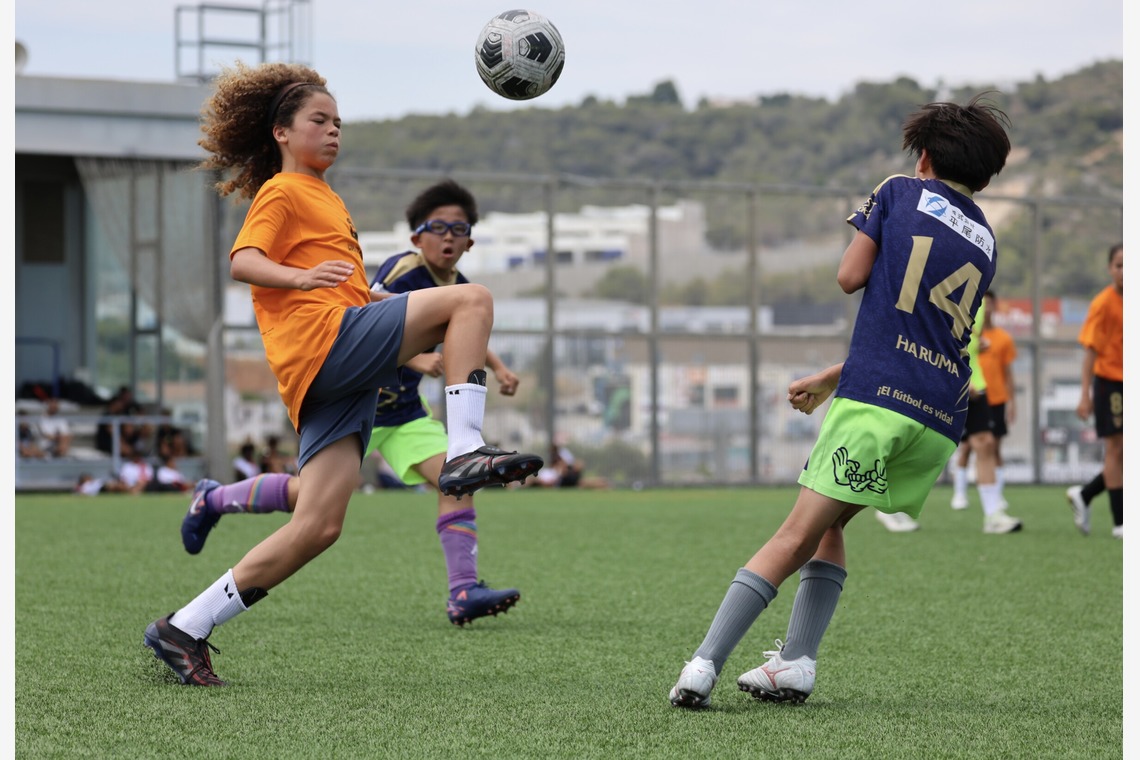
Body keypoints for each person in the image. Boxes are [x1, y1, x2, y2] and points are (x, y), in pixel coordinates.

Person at [143, 63, 542, 687]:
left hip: (332, 370)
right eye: (318, 121)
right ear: (281, 132)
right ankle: (465, 449)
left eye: (338, 123)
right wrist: (301, 279)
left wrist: (386, 309)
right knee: (474, 299)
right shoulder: (282, 191)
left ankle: (184, 627)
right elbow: (244, 260)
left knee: (319, 526)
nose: (333, 132)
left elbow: (359, 299)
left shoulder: (328, 200)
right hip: (321, 346)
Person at [669, 93, 1011, 708]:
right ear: (986, 173)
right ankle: (796, 662)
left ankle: (701, 665)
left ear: (924, 155)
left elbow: (850, 277)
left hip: (878, 404)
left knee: (795, 533)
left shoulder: (900, 190)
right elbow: (932, 335)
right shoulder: (987, 236)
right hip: (939, 415)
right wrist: (833, 376)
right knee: (832, 523)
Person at [178, 178, 529, 628]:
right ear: (416, 237)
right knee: (309, 503)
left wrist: (497, 367)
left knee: (453, 481)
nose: (447, 236)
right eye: (437, 227)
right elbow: (365, 306)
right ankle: (216, 499)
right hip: (356, 395)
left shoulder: (460, 286)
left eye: (457, 230)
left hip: (402, 415)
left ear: (470, 242)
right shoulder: (404, 269)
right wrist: (417, 356)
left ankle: (463, 590)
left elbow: (462, 321)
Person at [1066, 243, 1123, 538]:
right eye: (1119, 265)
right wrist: (1084, 393)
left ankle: (1085, 495)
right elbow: (1090, 352)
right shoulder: (1103, 303)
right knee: (1117, 448)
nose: (1125, 271)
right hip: (1111, 383)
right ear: (1109, 269)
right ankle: (1120, 523)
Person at [949, 290, 1017, 511]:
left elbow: (1008, 372)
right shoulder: (960, 309)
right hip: (965, 389)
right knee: (966, 446)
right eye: (984, 303)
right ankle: (960, 495)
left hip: (990, 395)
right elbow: (953, 345)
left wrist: (1012, 401)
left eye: (990, 304)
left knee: (989, 446)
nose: (986, 307)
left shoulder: (1002, 338)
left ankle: (994, 505)